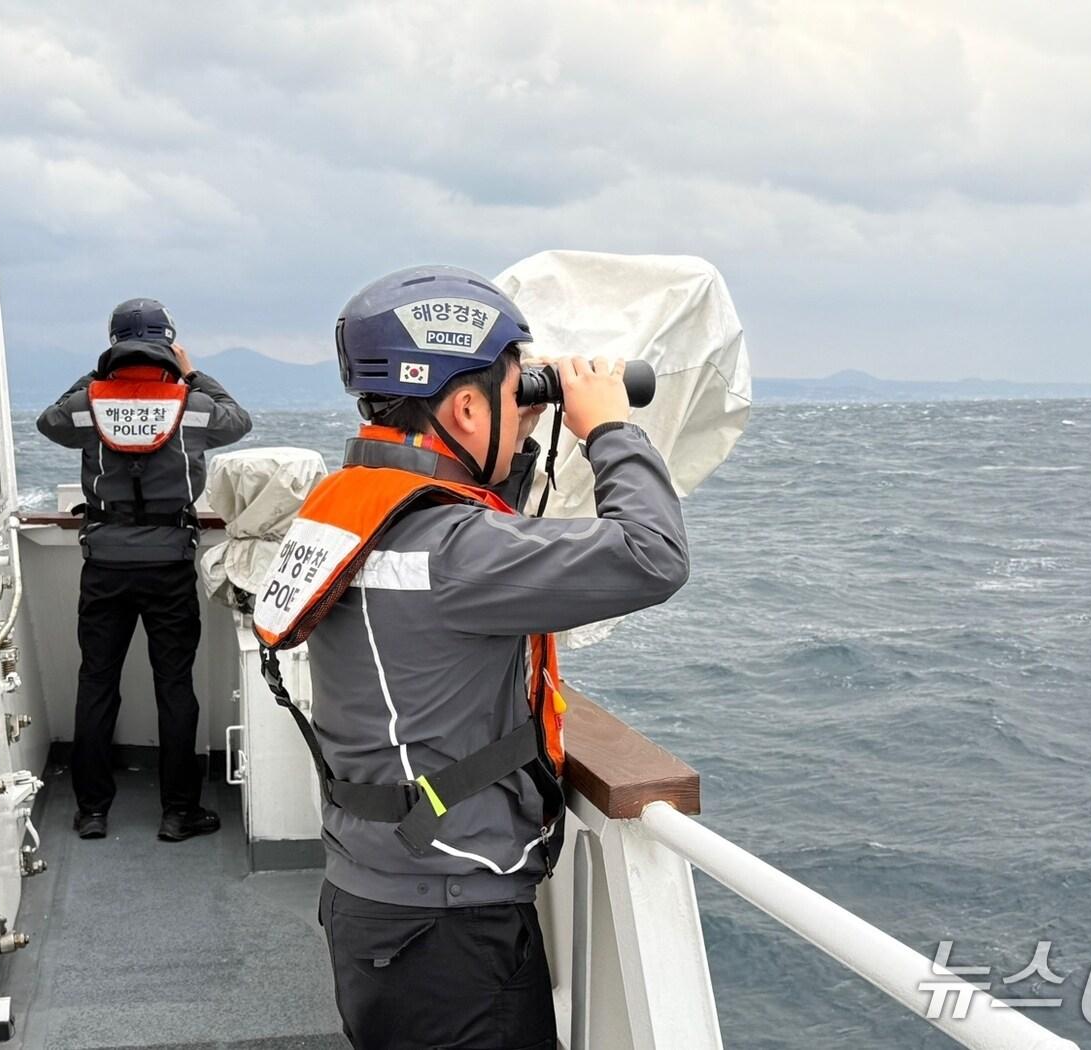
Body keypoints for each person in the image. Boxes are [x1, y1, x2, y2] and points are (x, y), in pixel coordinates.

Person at [252, 266, 689, 1048]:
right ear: (462, 408)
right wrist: (608, 429)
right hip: (448, 932)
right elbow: (653, 555)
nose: (524, 414)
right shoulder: (456, 553)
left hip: (372, 899)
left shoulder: (351, 507)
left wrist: (512, 428)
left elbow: (476, 526)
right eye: (513, 396)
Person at [37, 298, 252, 842]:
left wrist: (98, 375)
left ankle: (92, 811)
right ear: (169, 343)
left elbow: (48, 421)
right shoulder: (193, 404)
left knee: (97, 681)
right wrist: (191, 373)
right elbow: (239, 420)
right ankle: (179, 811)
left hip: (105, 563)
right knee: (174, 685)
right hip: (169, 564)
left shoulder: (88, 402)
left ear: (114, 343)